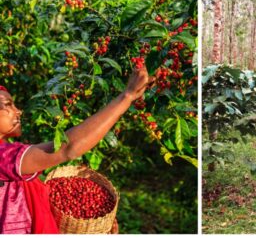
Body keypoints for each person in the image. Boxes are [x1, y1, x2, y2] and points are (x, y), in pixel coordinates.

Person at [0, 66, 153, 234]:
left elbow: (33, 206)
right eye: (8, 105)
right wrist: (127, 96)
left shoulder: (10, 154)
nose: (18, 111)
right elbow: (67, 148)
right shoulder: (3, 157)